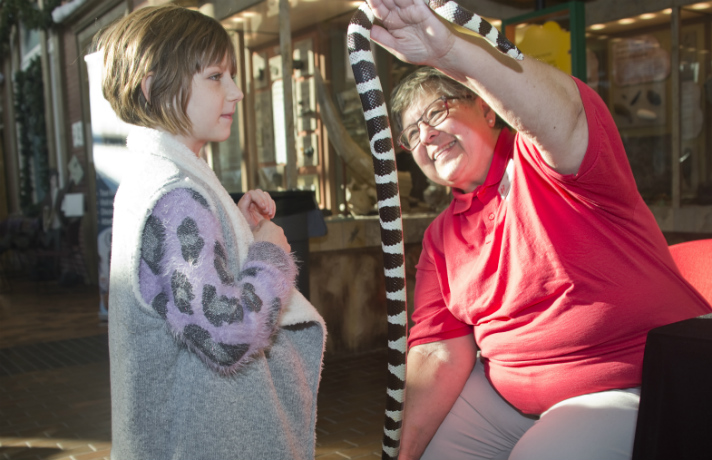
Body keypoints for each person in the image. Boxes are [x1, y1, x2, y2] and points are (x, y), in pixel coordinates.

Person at [363, 1, 712, 459]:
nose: (425, 135)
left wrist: (449, 51)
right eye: (412, 133)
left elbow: (563, 115)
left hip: (626, 380)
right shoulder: (440, 237)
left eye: (437, 111)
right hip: (506, 398)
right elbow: (438, 354)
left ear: (487, 109)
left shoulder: (547, 161)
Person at [96, 5, 326, 459]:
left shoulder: (160, 176)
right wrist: (268, 255)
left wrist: (233, 229)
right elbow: (227, 334)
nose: (237, 92)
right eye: (216, 77)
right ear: (154, 86)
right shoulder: (175, 193)